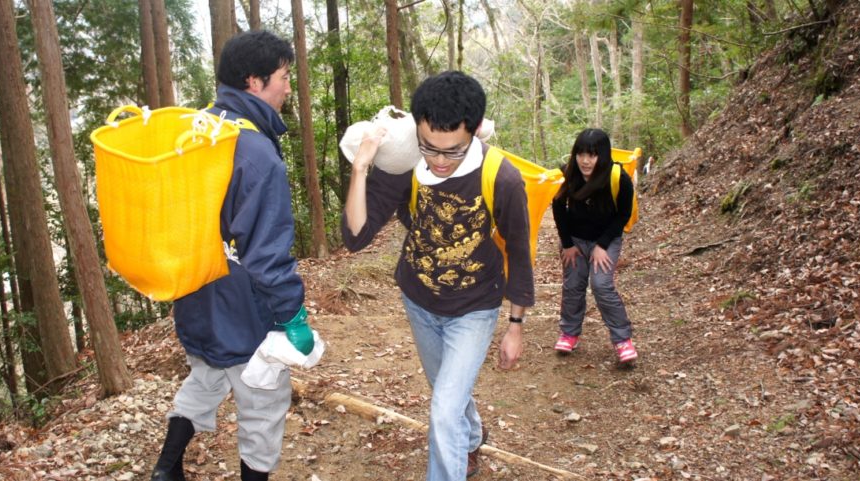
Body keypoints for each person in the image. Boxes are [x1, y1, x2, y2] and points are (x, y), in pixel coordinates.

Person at [342, 71, 534, 480]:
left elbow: (519, 251)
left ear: (475, 131)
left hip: (475, 306)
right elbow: (356, 236)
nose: (440, 161)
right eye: (429, 147)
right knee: (447, 393)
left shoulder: (501, 177)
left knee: (444, 409)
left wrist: (515, 325)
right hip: (420, 299)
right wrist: (360, 167)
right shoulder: (406, 163)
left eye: (453, 151)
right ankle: (472, 437)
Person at [151, 30, 313, 481]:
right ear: (254, 81)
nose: (288, 87)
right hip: (246, 306)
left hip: (196, 292)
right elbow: (267, 254)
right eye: (283, 76)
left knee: (206, 376)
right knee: (264, 403)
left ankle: (166, 470)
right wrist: (292, 316)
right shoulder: (256, 153)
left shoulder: (195, 130)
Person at [551, 128, 638, 365]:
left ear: (603, 154)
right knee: (573, 285)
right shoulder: (570, 174)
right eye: (580, 154)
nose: (585, 161)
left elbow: (623, 215)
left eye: (592, 155)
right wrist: (567, 244)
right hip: (575, 241)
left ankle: (623, 340)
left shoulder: (618, 178)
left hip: (605, 240)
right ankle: (569, 333)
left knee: (601, 285)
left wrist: (602, 245)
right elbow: (558, 206)